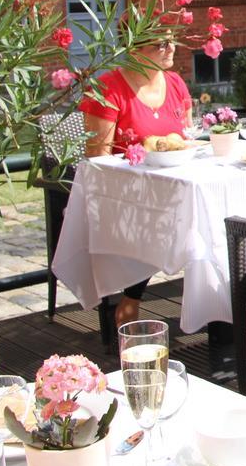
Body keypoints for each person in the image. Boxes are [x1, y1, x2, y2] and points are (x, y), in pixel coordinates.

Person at [80, 34, 194, 326]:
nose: (170, 49)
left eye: (172, 42)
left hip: (171, 188)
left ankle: (215, 310)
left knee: (212, 214)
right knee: (162, 214)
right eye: (161, 44)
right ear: (133, 47)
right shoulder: (109, 88)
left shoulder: (176, 84)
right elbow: (98, 160)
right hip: (120, 195)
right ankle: (131, 298)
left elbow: (188, 141)